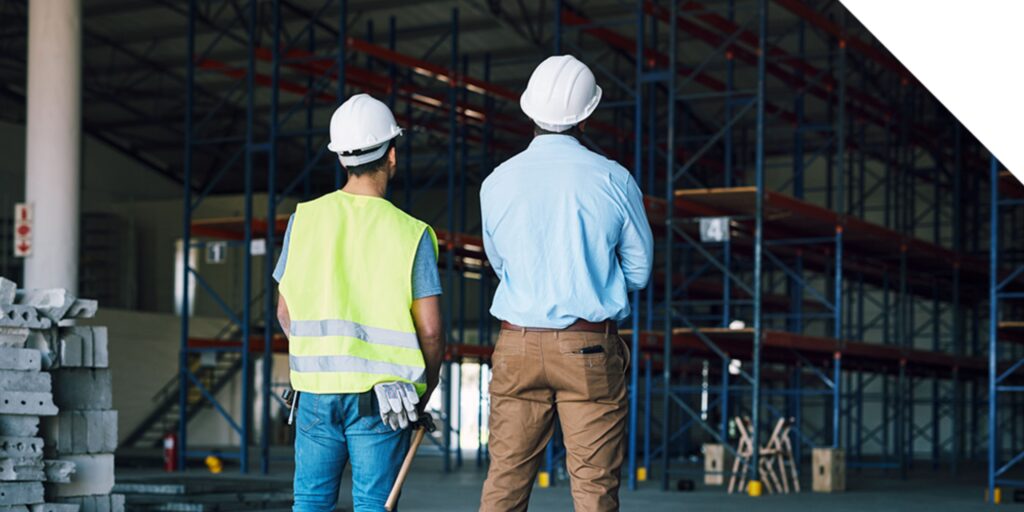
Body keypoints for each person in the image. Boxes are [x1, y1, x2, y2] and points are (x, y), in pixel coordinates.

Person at [478, 55, 654, 512]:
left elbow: (500, 263)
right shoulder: (614, 179)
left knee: (505, 481)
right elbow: (638, 272)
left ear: (529, 109)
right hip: (588, 349)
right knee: (594, 488)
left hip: (515, 345)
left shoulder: (496, 182)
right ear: (587, 114)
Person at [274, 93, 445, 512]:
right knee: (373, 505)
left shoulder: (304, 220)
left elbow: (284, 311)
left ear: (341, 159)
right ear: (392, 156)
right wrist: (427, 386)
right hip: (382, 403)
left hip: (314, 396)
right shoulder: (412, 233)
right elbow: (431, 330)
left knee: (310, 503)